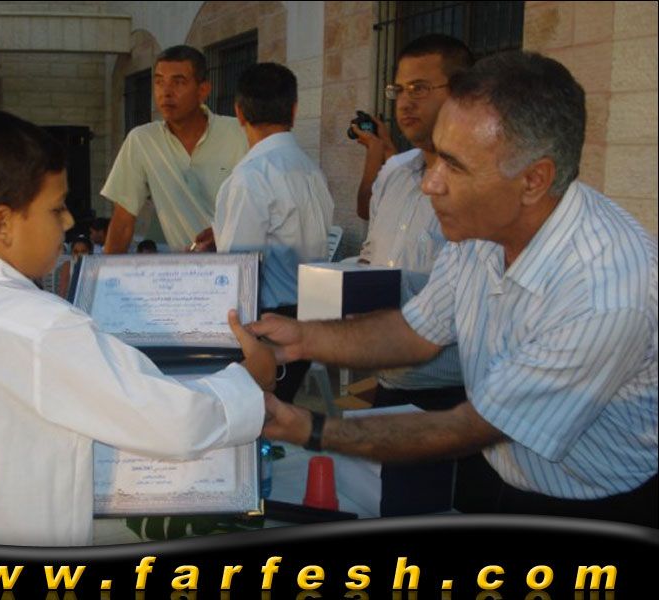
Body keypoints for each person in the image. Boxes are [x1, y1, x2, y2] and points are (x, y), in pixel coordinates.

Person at [253, 51, 658, 527]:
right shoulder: (480, 230)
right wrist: (302, 338)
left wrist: (309, 427)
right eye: (435, 156)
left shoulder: (603, 292)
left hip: (599, 505)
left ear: (534, 180)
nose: (430, 184)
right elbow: (414, 332)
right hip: (505, 471)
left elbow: (466, 428)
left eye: (454, 165)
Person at [0, 110, 276, 546]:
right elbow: (174, 420)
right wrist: (250, 380)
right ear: (2, 224)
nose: (68, 222)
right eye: (56, 208)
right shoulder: (42, 328)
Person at [350, 35, 483, 514]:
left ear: (462, 93)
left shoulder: (484, 184)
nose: (405, 101)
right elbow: (372, 256)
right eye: (399, 89)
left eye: (421, 88)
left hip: (455, 395)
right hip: (390, 383)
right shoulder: (393, 173)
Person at [204, 62, 333, 403]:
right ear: (294, 109)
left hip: (267, 323)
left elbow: (237, 271)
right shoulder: (312, 171)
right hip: (309, 316)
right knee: (279, 411)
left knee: (257, 416)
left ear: (239, 113)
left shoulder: (251, 177)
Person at [101, 45, 248, 253]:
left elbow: (264, 207)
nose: (166, 92)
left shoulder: (239, 134)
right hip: (184, 267)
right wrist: (104, 273)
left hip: (242, 262)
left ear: (203, 90)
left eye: (178, 82)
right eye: (159, 82)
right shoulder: (142, 140)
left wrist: (223, 235)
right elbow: (122, 223)